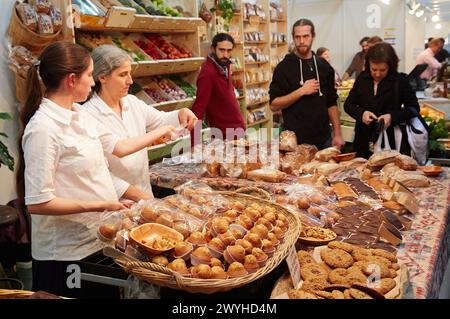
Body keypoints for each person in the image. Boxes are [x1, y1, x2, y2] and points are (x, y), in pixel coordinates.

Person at [16, 42, 177, 297]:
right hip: (65, 255)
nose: (92, 84)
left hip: (97, 241)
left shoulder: (80, 115)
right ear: (71, 79)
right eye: (90, 75)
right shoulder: (43, 129)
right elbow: (39, 203)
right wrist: (100, 205)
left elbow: (113, 153)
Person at [83, 45, 197, 199]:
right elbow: (102, 171)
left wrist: (181, 113)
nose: (130, 81)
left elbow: (160, 120)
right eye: (123, 75)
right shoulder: (89, 114)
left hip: (144, 192)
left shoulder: (131, 102)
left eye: (129, 73)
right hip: (117, 202)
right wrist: (141, 197)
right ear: (102, 77)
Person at [269, 19, 344, 150]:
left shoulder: (323, 66)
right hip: (295, 143)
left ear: (313, 36)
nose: (302, 41)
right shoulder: (283, 68)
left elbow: (331, 102)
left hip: (325, 139)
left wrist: (337, 134)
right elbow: (274, 105)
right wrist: (301, 91)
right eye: (297, 37)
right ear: (293, 38)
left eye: (306, 36)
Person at [344, 42, 420, 159]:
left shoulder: (399, 81)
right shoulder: (362, 78)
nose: (378, 74)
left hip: (390, 141)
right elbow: (348, 105)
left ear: (390, 66)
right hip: (363, 140)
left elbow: (414, 108)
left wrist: (392, 117)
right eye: (374, 69)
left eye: (382, 70)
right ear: (368, 64)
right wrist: (362, 114)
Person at [191, 33, 246, 140]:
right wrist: (195, 144)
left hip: (238, 130)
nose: (225, 54)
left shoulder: (225, 65)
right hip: (224, 136)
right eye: (221, 50)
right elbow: (198, 109)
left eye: (229, 51)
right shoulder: (207, 74)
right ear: (213, 49)